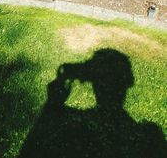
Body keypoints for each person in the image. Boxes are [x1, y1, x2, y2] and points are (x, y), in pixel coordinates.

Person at [18, 49, 166, 158]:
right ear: (128, 82)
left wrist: (52, 106)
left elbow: (31, 150)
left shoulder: (75, 127)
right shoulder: (146, 139)